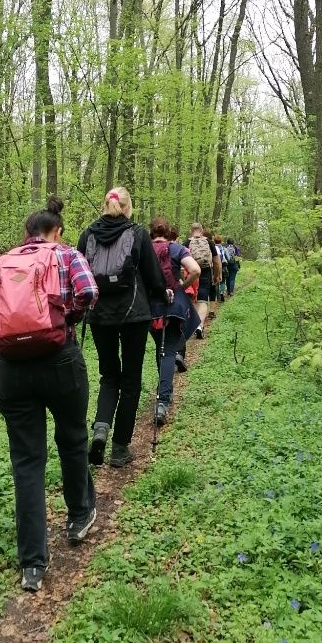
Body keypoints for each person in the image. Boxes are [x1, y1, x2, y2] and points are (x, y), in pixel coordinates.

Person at [0, 197, 99, 594]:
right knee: (73, 438)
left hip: (12, 371)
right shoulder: (66, 254)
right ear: (56, 231)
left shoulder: (0, 263)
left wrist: (3, 329)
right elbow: (88, 293)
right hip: (60, 362)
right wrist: (63, 320)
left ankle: (33, 565)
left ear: (27, 233)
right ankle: (78, 518)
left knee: (26, 460)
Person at [78, 187, 168, 468]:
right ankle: (119, 449)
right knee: (131, 381)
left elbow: (79, 274)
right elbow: (154, 278)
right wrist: (162, 293)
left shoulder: (88, 234)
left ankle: (101, 427)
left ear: (105, 205)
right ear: (129, 207)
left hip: (100, 315)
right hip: (134, 315)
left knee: (108, 375)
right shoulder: (138, 233)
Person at [148, 218, 201, 424]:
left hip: (150, 309)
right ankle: (163, 401)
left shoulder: (144, 249)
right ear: (168, 231)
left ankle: (162, 392)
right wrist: (181, 285)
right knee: (168, 350)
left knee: (159, 349)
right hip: (173, 308)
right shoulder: (176, 248)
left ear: (151, 232)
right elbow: (195, 269)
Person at [185, 222, 216, 338]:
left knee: (194, 298)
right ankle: (200, 325)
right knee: (203, 299)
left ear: (191, 231)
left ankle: (193, 324)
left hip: (192, 272)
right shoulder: (209, 242)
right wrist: (217, 275)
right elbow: (216, 261)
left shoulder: (187, 243)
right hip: (206, 272)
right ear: (202, 230)